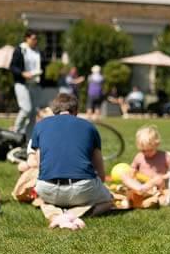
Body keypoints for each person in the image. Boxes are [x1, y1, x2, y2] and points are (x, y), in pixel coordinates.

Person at [31, 92, 113, 227]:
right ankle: (74, 214)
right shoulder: (89, 127)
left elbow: (41, 165)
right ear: (76, 110)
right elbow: (99, 165)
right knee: (108, 200)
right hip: (82, 189)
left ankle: (57, 215)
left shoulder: (40, 126)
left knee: (42, 200)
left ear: (53, 110)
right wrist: (101, 184)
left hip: (48, 188)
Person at [117, 125, 170, 205]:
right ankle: (140, 190)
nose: (147, 153)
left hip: (157, 187)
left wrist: (164, 177)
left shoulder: (165, 156)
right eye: (143, 151)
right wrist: (131, 173)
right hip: (140, 184)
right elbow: (132, 169)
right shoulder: (139, 156)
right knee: (124, 175)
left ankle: (143, 192)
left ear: (157, 144)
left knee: (158, 179)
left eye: (150, 150)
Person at [10, 30, 43, 139]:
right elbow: (12, 67)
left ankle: (28, 139)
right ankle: (15, 130)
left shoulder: (37, 51)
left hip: (34, 84)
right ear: (27, 38)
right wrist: (22, 73)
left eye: (36, 39)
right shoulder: (20, 50)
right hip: (22, 83)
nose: (35, 41)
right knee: (26, 109)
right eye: (33, 39)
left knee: (34, 113)